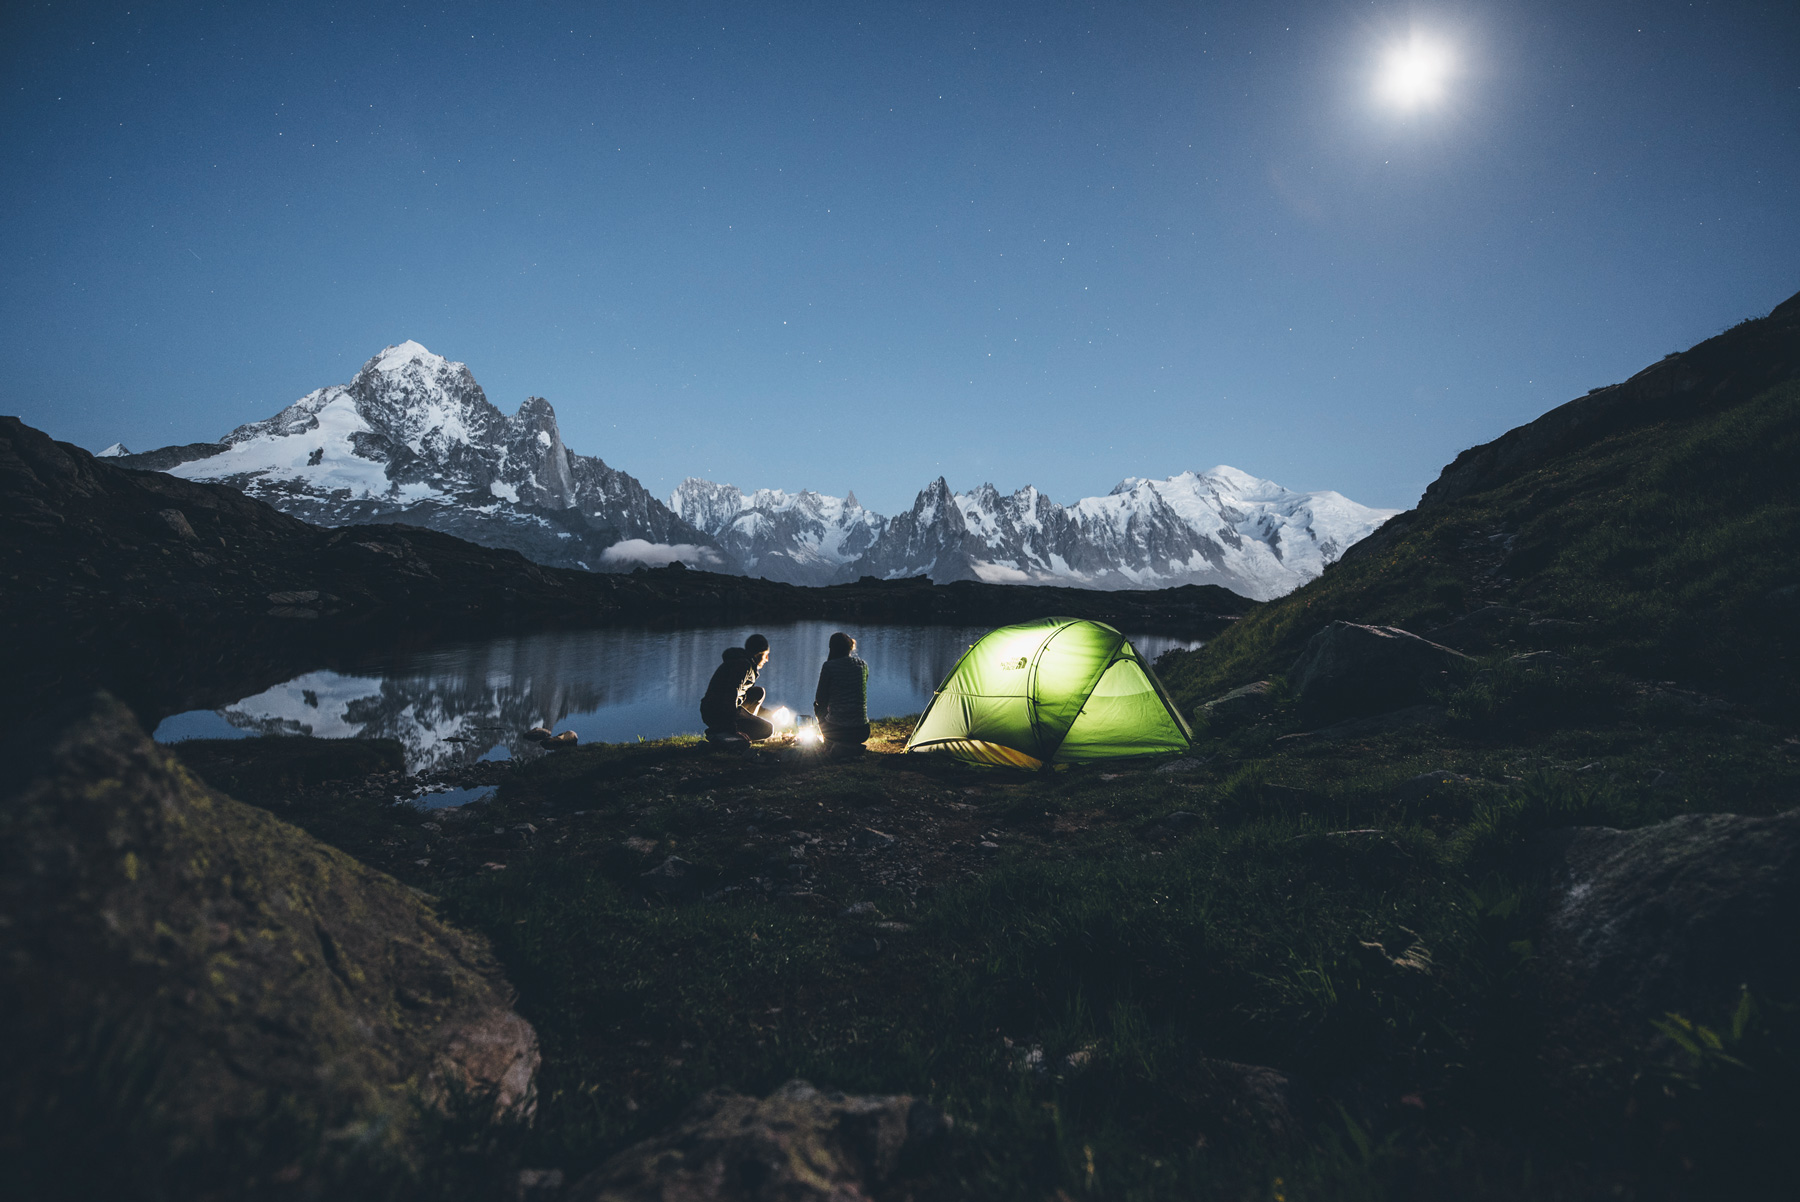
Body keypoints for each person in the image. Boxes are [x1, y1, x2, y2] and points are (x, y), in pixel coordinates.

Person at [701, 633, 773, 742]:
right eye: (766, 655)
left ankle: (737, 731)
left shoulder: (745, 663)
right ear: (759, 653)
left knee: (758, 692)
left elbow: (742, 697)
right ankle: (725, 734)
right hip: (716, 710)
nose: (767, 659)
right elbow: (730, 695)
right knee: (767, 729)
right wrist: (733, 728)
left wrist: (771, 714)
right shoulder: (743, 665)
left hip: (721, 707)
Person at [813, 631, 870, 751]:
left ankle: (830, 742)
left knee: (818, 706)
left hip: (837, 731)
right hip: (862, 731)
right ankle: (849, 746)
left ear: (831, 648)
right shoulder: (863, 665)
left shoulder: (829, 666)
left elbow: (820, 698)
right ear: (850, 647)